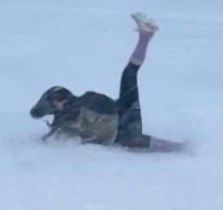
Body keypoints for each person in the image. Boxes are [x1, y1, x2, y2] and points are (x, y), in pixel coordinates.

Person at [30, 12, 185, 152]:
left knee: (129, 76)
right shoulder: (65, 119)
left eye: (57, 100)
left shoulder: (73, 110)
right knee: (129, 76)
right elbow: (39, 114)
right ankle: (145, 37)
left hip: (123, 120)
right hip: (123, 123)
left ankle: (145, 37)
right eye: (55, 102)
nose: (57, 104)